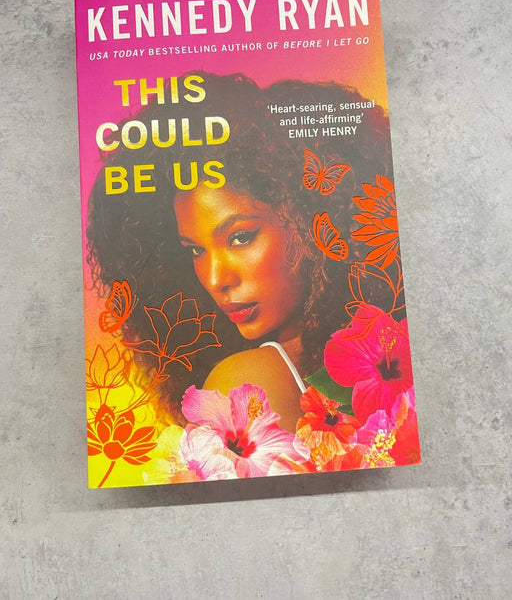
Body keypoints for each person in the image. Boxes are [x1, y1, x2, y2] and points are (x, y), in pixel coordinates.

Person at [87, 73, 391, 430]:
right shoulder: (386, 371)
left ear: (311, 216)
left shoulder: (250, 382)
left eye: (240, 237)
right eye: (195, 250)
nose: (216, 279)